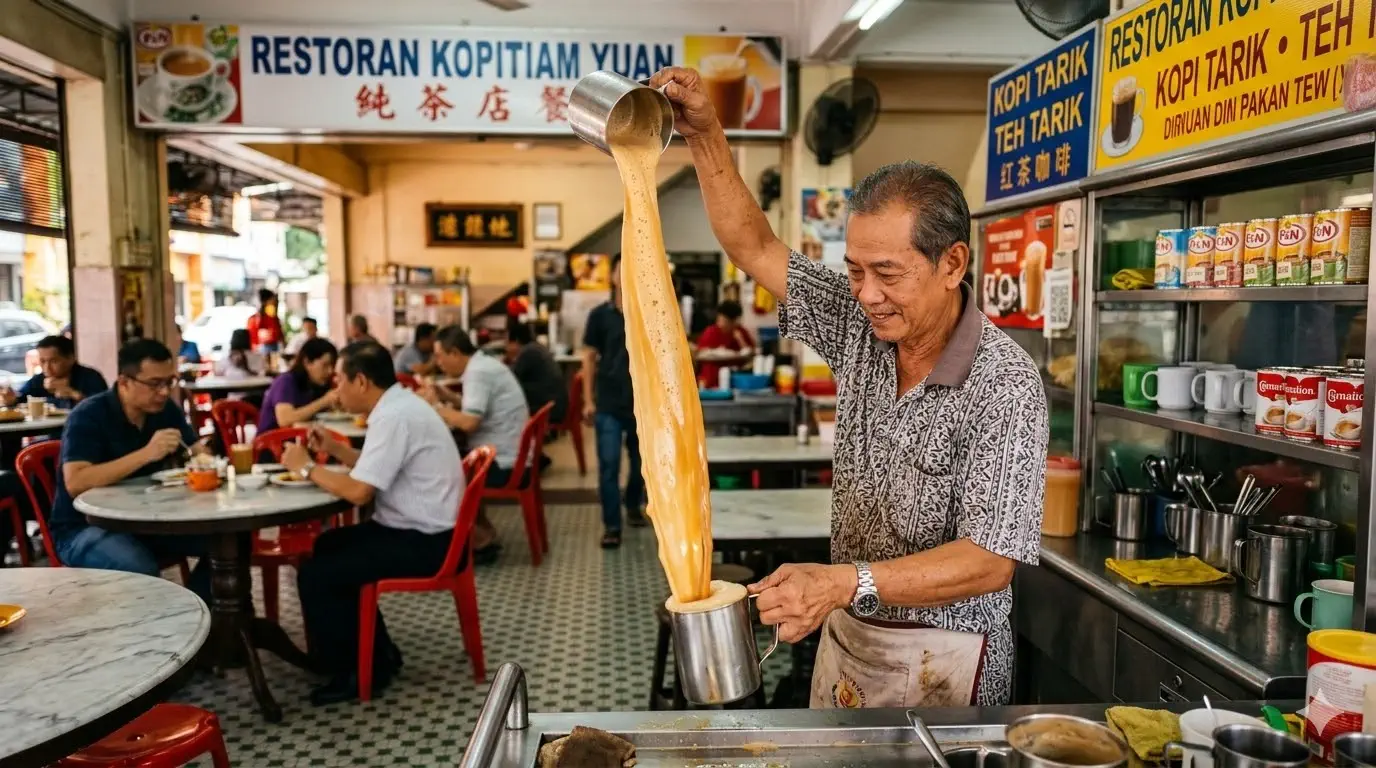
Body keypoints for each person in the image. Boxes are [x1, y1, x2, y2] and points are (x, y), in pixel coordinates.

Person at [651, 66, 1048, 707]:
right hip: (851, 640)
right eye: (855, 269)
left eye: (887, 273)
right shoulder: (858, 321)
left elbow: (989, 560)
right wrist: (704, 135)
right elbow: (753, 245)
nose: (865, 294)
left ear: (953, 263)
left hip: (947, 664)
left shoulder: (1003, 384)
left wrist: (843, 582)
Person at [283, 341, 463, 705]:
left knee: (319, 573)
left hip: (427, 542)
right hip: (427, 530)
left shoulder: (394, 416)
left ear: (361, 381)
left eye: (340, 381)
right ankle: (378, 655)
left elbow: (360, 492)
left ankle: (353, 672)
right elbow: (374, 468)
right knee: (327, 546)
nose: (336, 391)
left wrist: (305, 467)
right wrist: (334, 451)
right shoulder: (398, 405)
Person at [46, 339, 209, 594]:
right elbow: (76, 482)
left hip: (149, 522)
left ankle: (206, 619)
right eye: (155, 384)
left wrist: (206, 459)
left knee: (230, 542)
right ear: (124, 382)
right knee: (138, 567)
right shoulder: (89, 415)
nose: (165, 392)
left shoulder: (165, 411)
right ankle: (169, 628)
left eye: (169, 382)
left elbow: (198, 452)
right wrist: (147, 454)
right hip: (84, 528)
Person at [425, 325, 528, 565]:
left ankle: (477, 539)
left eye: (439, 356)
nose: (437, 362)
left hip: (503, 463)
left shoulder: (477, 373)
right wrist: (447, 397)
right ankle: (482, 534)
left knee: (438, 472)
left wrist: (435, 407)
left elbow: (470, 422)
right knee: (447, 461)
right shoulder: (482, 365)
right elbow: (476, 407)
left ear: (455, 353)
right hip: (510, 454)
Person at [581, 254, 645, 550]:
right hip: (607, 403)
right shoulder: (599, 316)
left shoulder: (648, 312)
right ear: (613, 276)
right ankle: (612, 526)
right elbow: (588, 358)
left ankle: (633, 505)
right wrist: (587, 400)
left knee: (641, 464)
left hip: (642, 404)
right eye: (623, 268)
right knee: (608, 465)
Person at [2, 335, 108, 410]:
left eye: (53, 361)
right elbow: (21, 398)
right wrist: (11, 399)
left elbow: (104, 408)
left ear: (71, 358)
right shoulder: (39, 380)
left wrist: (73, 394)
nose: (47, 367)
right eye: (42, 361)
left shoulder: (90, 377)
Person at [258, 337, 339, 433]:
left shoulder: (318, 383)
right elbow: (285, 420)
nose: (330, 371)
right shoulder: (286, 381)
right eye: (325, 365)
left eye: (332, 366)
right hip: (271, 443)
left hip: (302, 441)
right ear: (307, 362)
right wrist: (324, 401)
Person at [505, 323, 567, 424]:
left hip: (549, 411)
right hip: (555, 405)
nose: (506, 347)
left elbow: (510, 380)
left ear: (515, 341)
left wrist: (508, 362)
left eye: (507, 342)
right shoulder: (537, 348)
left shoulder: (528, 353)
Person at [695, 299, 754, 386]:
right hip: (710, 382)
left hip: (736, 381)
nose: (720, 324)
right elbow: (700, 354)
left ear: (734, 322)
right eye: (719, 320)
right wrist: (726, 354)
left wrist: (741, 340)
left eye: (724, 321)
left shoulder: (741, 332)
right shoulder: (711, 332)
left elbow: (750, 355)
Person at [247, 289, 284, 353]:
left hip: (261, 347)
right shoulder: (266, 315)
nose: (274, 302)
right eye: (272, 299)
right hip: (266, 346)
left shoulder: (254, 318)